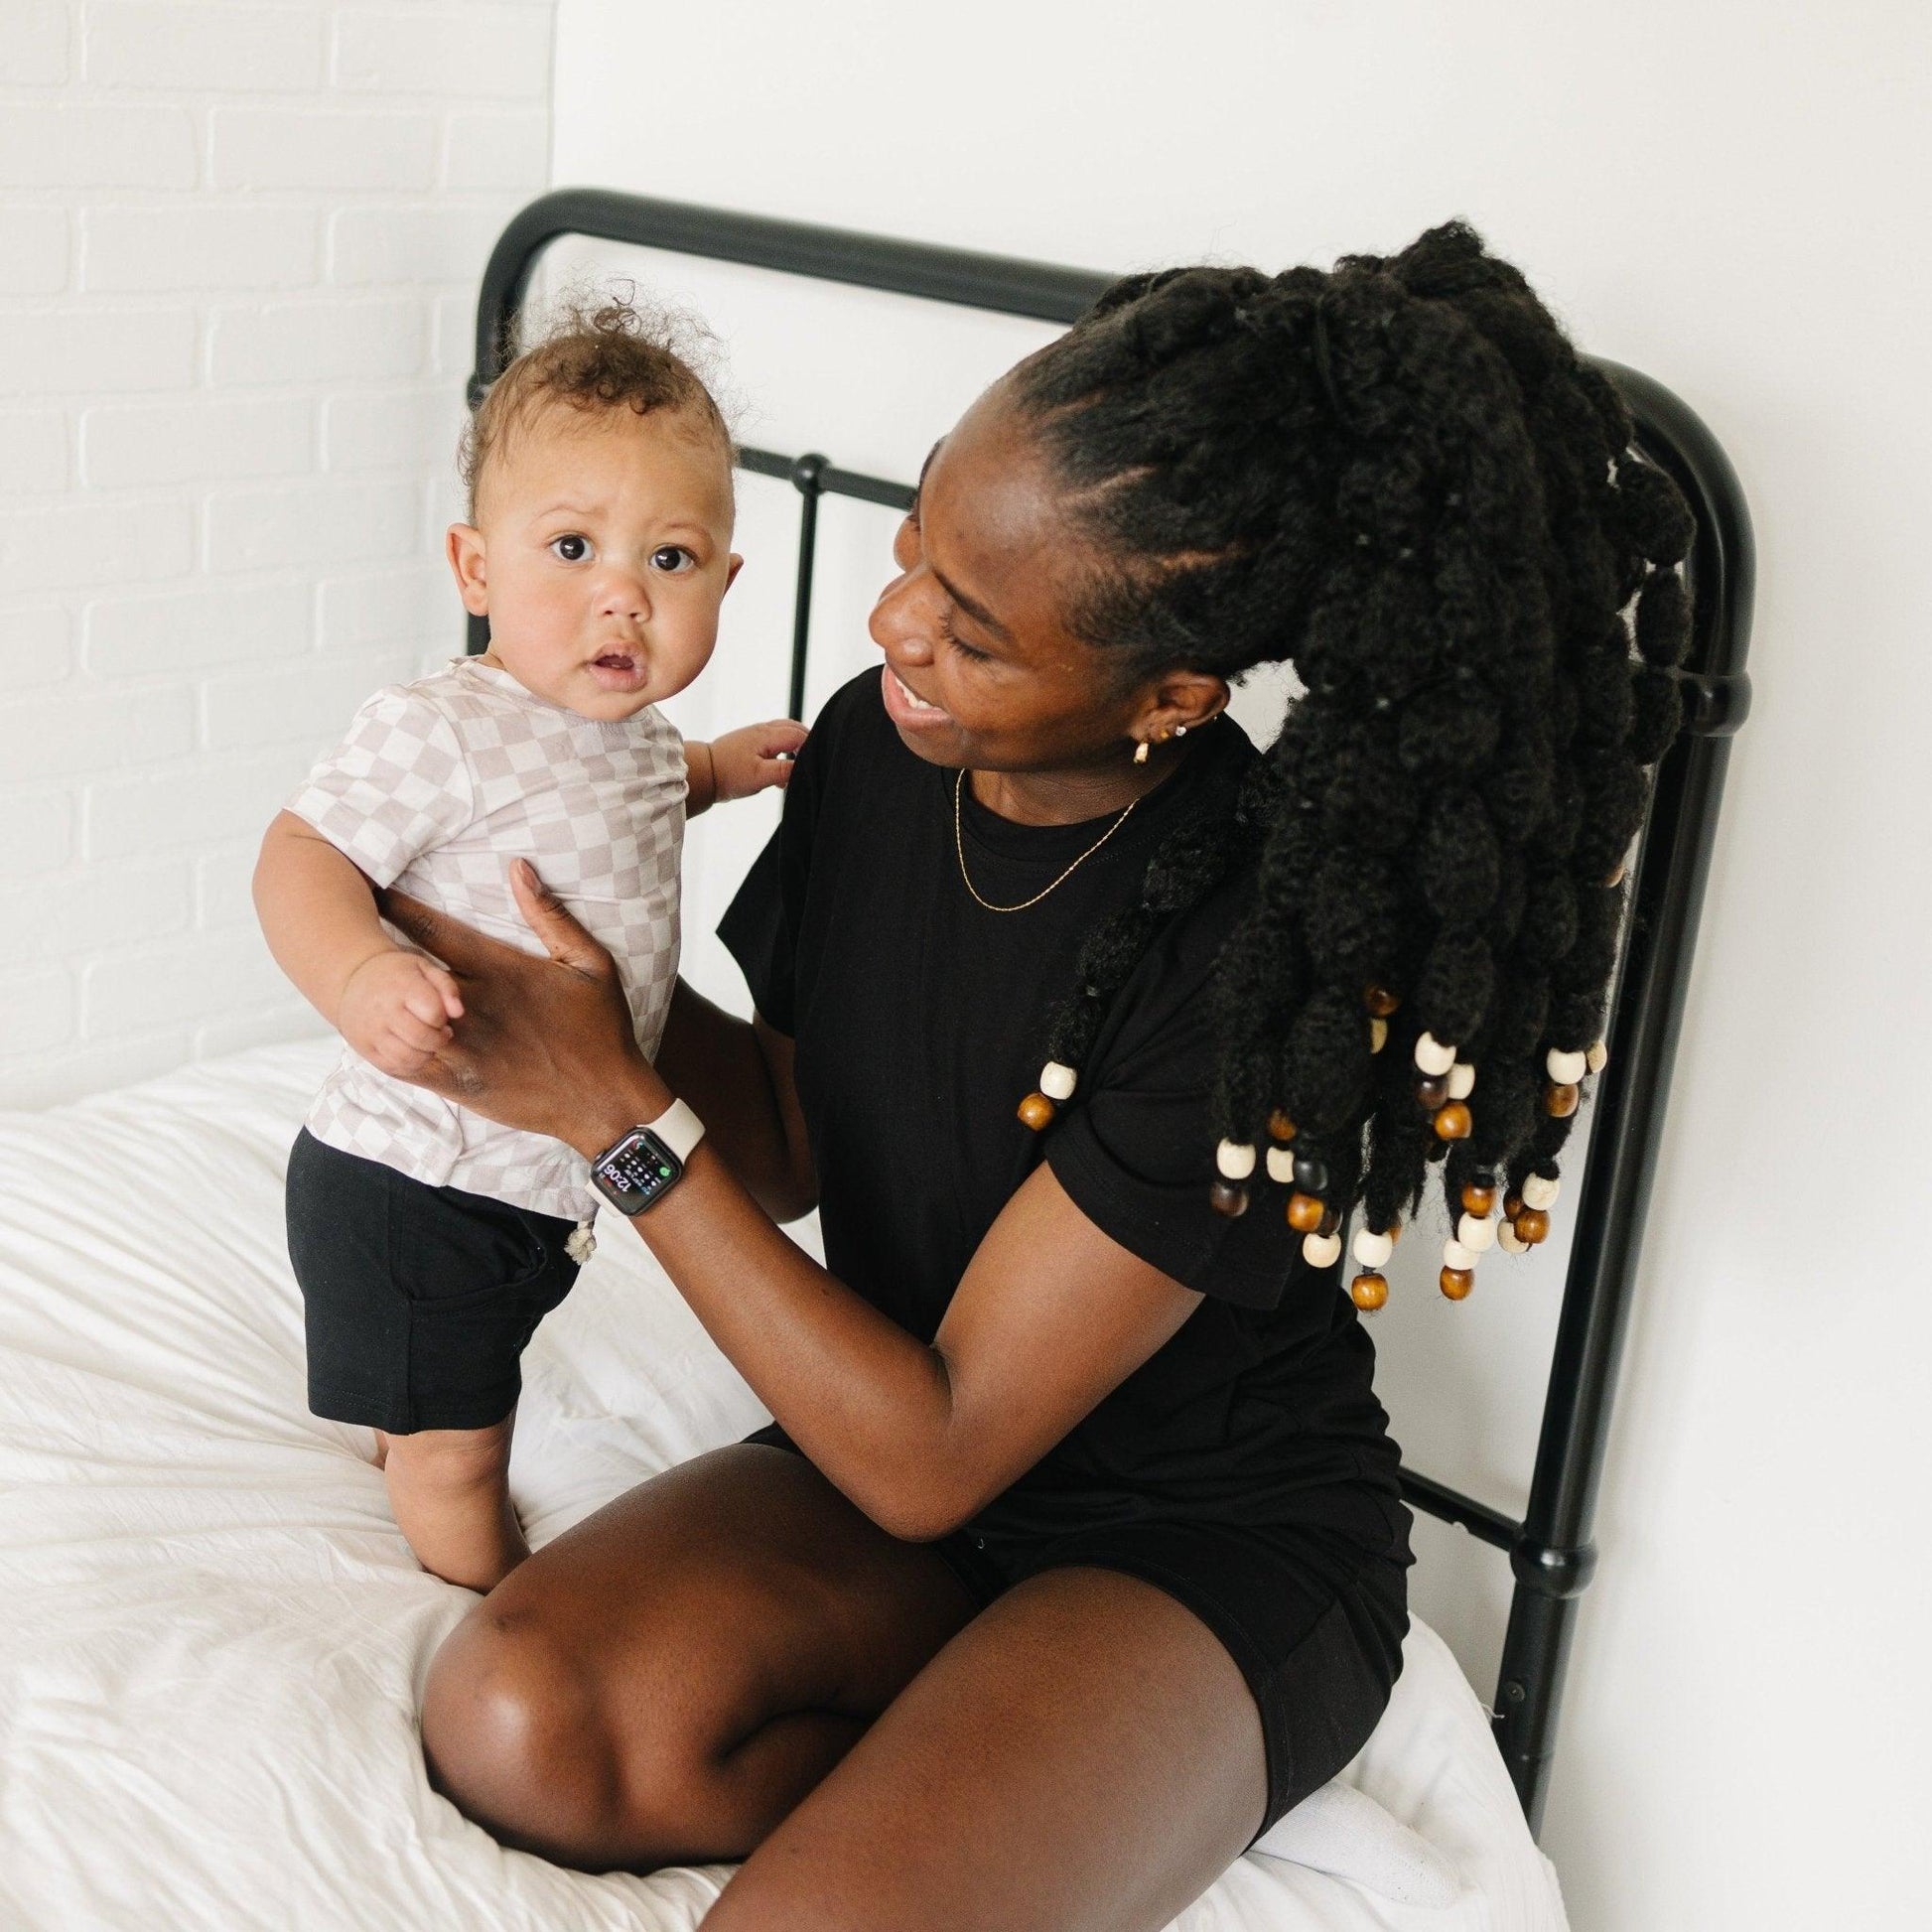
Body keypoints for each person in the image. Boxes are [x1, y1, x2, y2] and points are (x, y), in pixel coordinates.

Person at [378, 223, 1692, 1929]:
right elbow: (786, 1142)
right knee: (517, 1723)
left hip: (1188, 1534)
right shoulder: (872, 742)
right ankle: (981, 1762)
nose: (891, 618)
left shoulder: (1266, 951)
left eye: (972, 631)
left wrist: (612, 1118)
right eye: (916, 540)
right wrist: (598, 1000)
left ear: (1172, 695)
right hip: (898, 1442)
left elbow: (934, 1452)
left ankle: (1046, 1770)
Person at [253, 299, 805, 1590]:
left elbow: (647, 788)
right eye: (571, 546)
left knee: (463, 1368)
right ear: (475, 570)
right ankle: (478, 1596)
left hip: (527, 1186)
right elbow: (301, 857)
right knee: (460, 1448)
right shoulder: (441, 725)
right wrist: (360, 972)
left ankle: (410, 1421)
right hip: (413, 1180)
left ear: (725, 580)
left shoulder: (628, 740)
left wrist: (724, 768)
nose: (621, 593)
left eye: (670, 560)